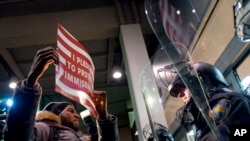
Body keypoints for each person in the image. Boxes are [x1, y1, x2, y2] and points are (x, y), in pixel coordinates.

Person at [3, 46, 119, 141]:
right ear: (56, 114)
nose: (77, 115)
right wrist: (30, 82)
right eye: (70, 111)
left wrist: (104, 118)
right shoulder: (45, 128)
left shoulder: (81, 137)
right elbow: (16, 136)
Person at [167, 61, 250, 141]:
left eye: (183, 86)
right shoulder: (201, 117)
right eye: (177, 93)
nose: (179, 95)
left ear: (201, 81)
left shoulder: (231, 101)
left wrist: (219, 136)